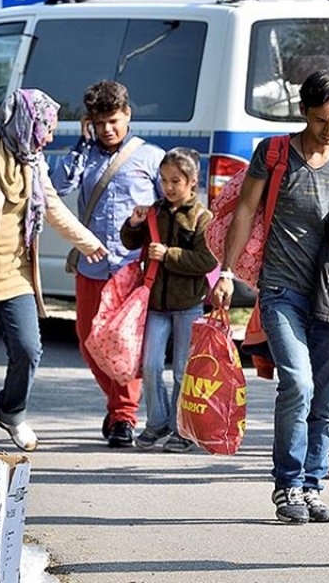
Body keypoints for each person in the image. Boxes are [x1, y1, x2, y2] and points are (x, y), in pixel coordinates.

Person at [212, 71, 329, 525]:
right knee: (298, 383)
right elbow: (245, 209)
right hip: (282, 289)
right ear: (303, 112)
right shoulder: (275, 152)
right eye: (321, 119)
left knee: (328, 397)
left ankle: (312, 485)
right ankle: (286, 485)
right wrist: (226, 271)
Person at [0, 89, 105, 452]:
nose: (49, 136)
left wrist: (87, 241)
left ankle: (11, 411)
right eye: (46, 127)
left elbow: (55, 208)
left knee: (28, 349)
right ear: (26, 123)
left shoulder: (33, 161)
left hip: (16, 273)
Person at [50, 80, 166, 449]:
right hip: (92, 264)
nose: (107, 129)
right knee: (88, 341)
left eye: (114, 120)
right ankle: (117, 404)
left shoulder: (151, 158)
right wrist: (81, 145)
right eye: (99, 123)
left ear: (128, 114)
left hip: (131, 267)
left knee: (124, 344)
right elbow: (57, 187)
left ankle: (123, 415)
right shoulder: (86, 153)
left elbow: (172, 207)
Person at [119, 148, 218, 452]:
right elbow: (130, 242)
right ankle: (157, 422)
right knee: (149, 366)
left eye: (176, 180)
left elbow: (206, 260)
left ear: (192, 182)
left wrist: (169, 255)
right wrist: (133, 224)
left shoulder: (203, 218)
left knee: (181, 372)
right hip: (156, 305)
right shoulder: (154, 212)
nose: (169, 187)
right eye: (163, 180)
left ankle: (182, 430)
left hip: (188, 305)